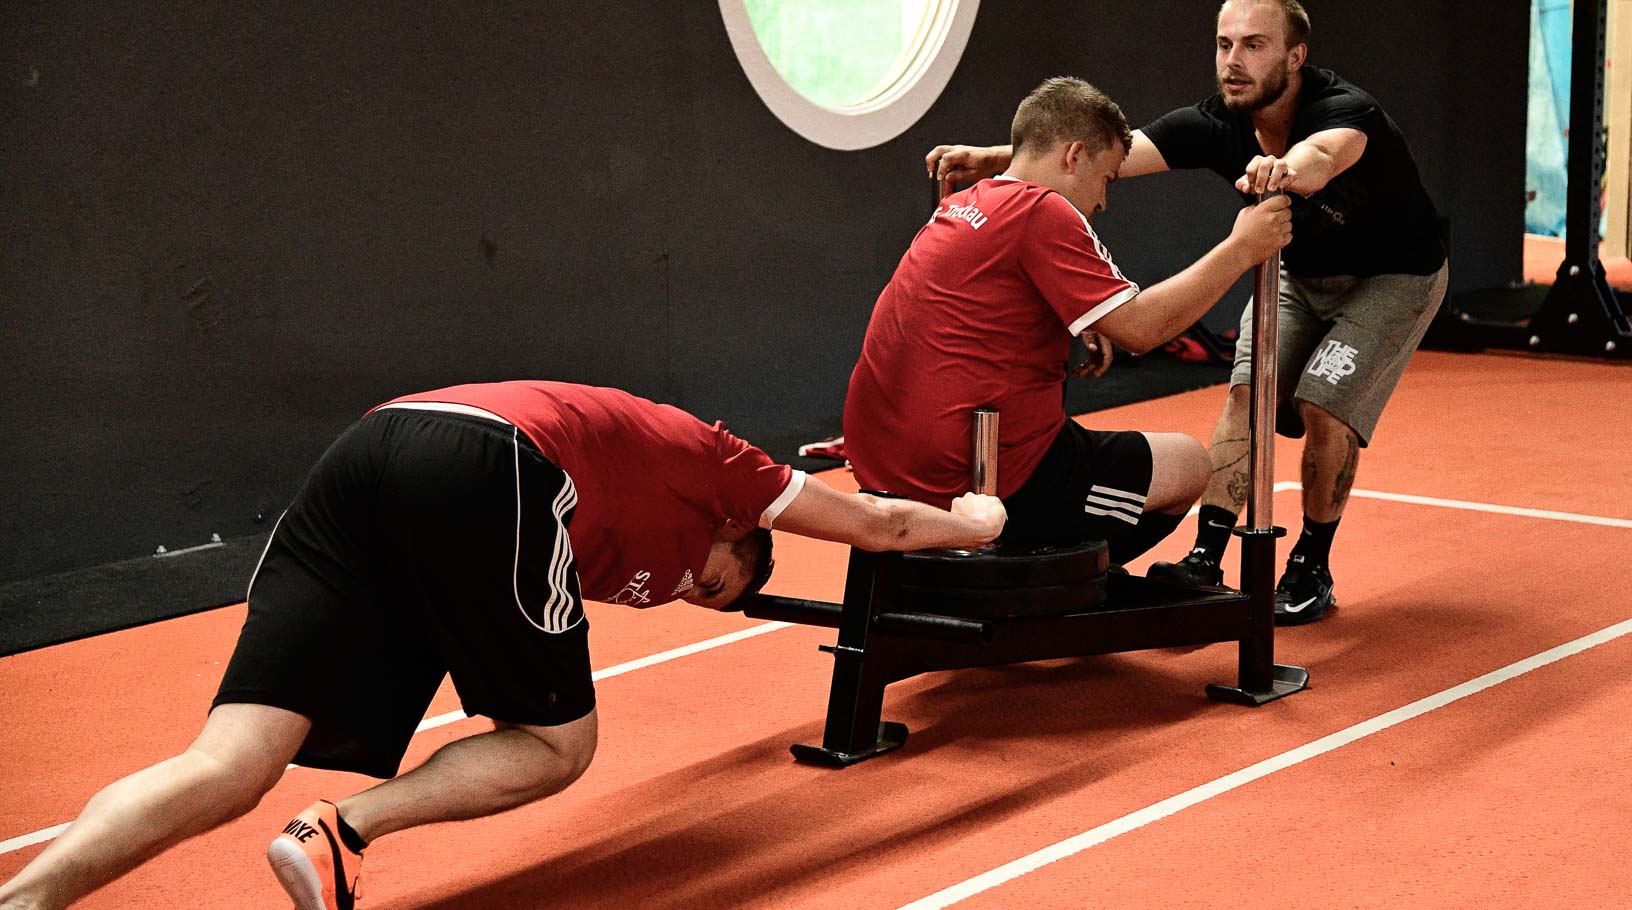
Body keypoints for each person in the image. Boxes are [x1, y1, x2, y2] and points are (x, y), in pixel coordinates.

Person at [0, 381, 1006, 910]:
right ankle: (341, 832)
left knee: (228, 763)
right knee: (560, 742)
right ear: (737, 526)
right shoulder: (724, 465)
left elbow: (466, 590)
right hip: (489, 461)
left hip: (373, 450)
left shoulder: (615, 544)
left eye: (703, 601)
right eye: (717, 575)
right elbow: (880, 528)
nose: (693, 592)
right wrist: (974, 519)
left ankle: (29, 894)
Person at [925, 0, 1449, 624]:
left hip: (1392, 277)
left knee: (1323, 405)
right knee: (1244, 395)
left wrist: (1288, 168)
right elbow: (1112, 152)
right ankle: (1205, 557)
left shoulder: (1343, 110)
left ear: (1296, 56)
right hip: (1297, 275)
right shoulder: (1217, 123)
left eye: (1255, 45)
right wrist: (996, 156)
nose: (1234, 61)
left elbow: (1328, 155)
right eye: (1225, 44)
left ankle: (1312, 564)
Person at [844, 77, 1291, 568]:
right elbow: (1143, 330)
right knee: (1189, 464)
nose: (1102, 202)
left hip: (881, 464)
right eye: (1106, 179)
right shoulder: (1045, 211)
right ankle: (1057, 588)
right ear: (1074, 155)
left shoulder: (962, 204)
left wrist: (1081, 320)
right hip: (981, 478)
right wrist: (1241, 248)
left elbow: (988, 303)